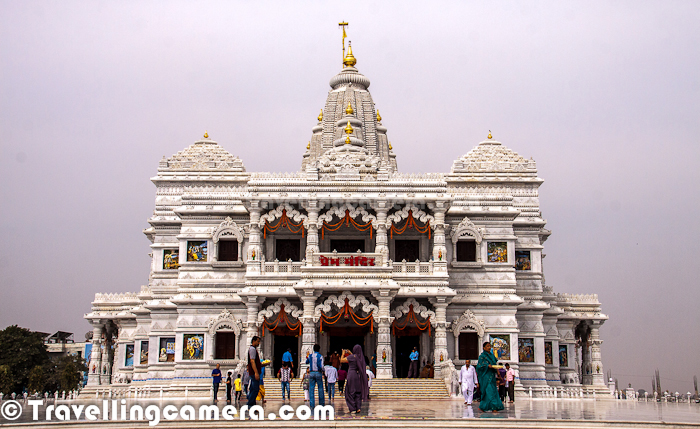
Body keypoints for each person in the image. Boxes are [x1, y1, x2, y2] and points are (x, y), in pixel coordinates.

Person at [476, 342, 504, 413]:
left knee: (493, 391)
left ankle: (483, 407)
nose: (489, 347)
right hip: (485, 377)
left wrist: (498, 374)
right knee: (489, 391)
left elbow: (495, 365)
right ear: (484, 348)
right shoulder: (482, 356)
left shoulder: (492, 356)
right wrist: (486, 365)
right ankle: (494, 407)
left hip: (492, 377)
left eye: (490, 346)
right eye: (488, 346)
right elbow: (479, 366)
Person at [341, 344, 369, 414]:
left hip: (351, 375)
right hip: (358, 376)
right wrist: (350, 353)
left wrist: (343, 353)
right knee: (357, 392)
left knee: (349, 392)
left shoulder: (351, 357)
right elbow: (356, 357)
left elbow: (341, 360)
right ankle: (358, 407)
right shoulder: (360, 358)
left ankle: (352, 408)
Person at [246, 336, 269, 408]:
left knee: (253, 389)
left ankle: (252, 404)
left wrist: (263, 364)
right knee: (255, 389)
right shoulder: (252, 349)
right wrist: (256, 372)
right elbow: (252, 361)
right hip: (253, 373)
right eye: (258, 341)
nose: (259, 343)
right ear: (254, 341)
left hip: (254, 372)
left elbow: (255, 363)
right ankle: (250, 404)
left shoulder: (254, 349)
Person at [306, 344, 325, 410]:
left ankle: (312, 405)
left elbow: (306, 362)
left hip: (311, 373)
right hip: (318, 372)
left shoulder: (310, 356)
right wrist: (323, 371)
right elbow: (322, 366)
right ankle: (321, 404)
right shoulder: (320, 356)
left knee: (311, 389)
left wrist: (307, 355)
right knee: (320, 389)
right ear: (319, 349)